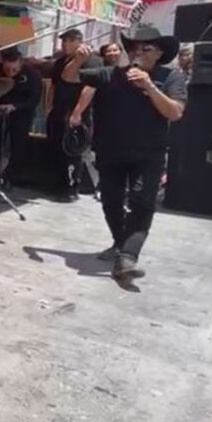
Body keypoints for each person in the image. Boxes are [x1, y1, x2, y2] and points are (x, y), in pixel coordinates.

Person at [63, 26, 186, 280]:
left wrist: (150, 87)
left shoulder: (171, 77)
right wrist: (78, 59)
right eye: (133, 48)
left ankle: (128, 257)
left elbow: (175, 112)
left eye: (145, 48)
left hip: (148, 154)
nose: (137, 52)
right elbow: (70, 77)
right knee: (111, 202)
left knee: (142, 203)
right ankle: (122, 246)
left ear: (159, 52)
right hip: (110, 151)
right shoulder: (111, 74)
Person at [45, 30, 100, 201]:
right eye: (63, 41)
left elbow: (89, 89)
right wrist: (48, 107)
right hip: (59, 109)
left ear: (79, 41)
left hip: (77, 111)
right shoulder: (61, 62)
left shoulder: (92, 61)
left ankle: (71, 187)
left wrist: (77, 113)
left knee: (72, 150)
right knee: (56, 148)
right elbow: (54, 85)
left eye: (69, 41)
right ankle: (58, 184)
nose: (65, 44)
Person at [0, 48, 42, 186]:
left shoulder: (32, 75)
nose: (10, 73)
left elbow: (34, 100)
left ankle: (11, 176)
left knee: (18, 145)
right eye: (7, 69)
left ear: (21, 64)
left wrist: (15, 106)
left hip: (22, 112)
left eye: (14, 70)